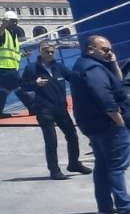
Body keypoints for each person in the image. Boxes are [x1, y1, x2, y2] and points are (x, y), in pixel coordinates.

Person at [70, 35, 130, 214]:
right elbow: (103, 96)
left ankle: (105, 207)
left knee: (102, 166)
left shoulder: (87, 65)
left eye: (110, 49)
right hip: (109, 126)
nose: (109, 52)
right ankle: (125, 208)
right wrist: (119, 121)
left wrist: (113, 62)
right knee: (116, 167)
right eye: (105, 49)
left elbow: (118, 80)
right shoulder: (93, 69)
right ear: (91, 49)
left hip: (94, 125)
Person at [17, 40, 89, 179]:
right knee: (51, 141)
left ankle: (74, 163)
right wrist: (35, 84)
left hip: (61, 108)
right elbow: (23, 86)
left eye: (52, 51)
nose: (50, 54)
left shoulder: (59, 67)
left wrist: (87, 75)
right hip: (44, 110)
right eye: (47, 51)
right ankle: (54, 170)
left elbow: (73, 77)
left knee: (72, 136)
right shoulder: (32, 68)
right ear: (40, 51)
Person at [0, 11, 25, 110]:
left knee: (4, 89)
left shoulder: (13, 34)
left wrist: (22, 55)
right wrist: (3, 25)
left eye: (16, 21)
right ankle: (33, 107)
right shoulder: (3, 32)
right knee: (20, 86)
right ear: (6, 21)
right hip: (5, 67)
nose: (15, 23)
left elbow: (12, 53)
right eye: (12, 21)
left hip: (11, 67)